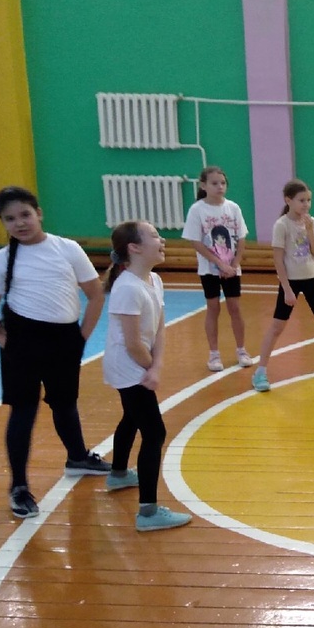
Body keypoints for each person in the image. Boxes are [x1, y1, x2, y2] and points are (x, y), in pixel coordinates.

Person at [0, 186, 112, 518]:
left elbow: (95, 295)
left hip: (64, 339)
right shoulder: (2, 259)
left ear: (39, 213)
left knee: (65, 403)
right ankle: (19, 487)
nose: (20, 223)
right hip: (21, 343)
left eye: (25, 214)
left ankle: (77, 457)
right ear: (3, 223)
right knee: (23, 411)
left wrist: (81, 337)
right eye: (10, 219)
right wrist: (6, 342)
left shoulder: (67, 249)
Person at [101, 221, 192, 531]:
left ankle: (118, 474)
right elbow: (132, 343)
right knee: (154, 433)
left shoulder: (153, 279)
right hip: (127, 366)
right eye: (154, 235)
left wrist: (158, 364)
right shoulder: (127, 288)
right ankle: (148, 512)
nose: (162, 239)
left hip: (140, 363)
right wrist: (149, 368)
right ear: (135, 248)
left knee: (132, 416)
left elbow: (160, 327)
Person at [251, 179, 314, 392]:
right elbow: (278, 260)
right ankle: (260, 371)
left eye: (308, 200)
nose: (306, 204)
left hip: (311, 277)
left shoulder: (312, 222)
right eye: (301, 200)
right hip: (290, 280)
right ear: (288, 200)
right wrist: (287, 289)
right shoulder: (281, 225)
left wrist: (309, 231)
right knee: (277, 327)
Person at [181, 166, 251, 373]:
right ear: (203, 185)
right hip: (210, 269)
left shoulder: (233, 208)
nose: (220, 187)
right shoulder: (197, 210)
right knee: (213, 307)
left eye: (222, 183)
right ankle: (214, 354)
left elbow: (241, 237)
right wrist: (219, 263)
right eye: (214, 183)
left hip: (232, 269)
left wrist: (234, 264)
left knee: (235, 307)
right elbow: (196, 242)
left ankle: (241, 350)